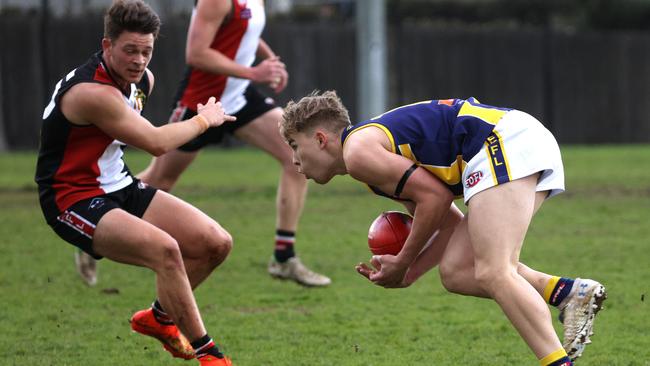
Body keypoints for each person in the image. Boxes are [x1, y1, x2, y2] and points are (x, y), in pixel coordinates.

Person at [279, 91, 607, 364]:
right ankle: (567, 292)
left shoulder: (358, 153)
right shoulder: (366, 159)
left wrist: (404, 260)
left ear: (320, 139)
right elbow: (446, 223)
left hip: (500, 141)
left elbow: (434, 199)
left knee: (494, 270)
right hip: (511, 140)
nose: (294, 160)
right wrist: (408, 272)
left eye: (295, 146)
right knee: (457, 271)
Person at [76, 0, 330, 288]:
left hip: (239, 96)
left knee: (295, 154)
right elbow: (197, 53)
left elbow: (245, 30)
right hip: (201, 101)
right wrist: (253, 73)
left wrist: (269, 60)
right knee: (161, 178)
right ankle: (95, 222)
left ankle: (284, 257)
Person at [35, 1, 237, 364]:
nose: (139, 60)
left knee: (216, 243)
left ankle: (158, 319)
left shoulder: (142, 80)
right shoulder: (93, 93)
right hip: (72, 199)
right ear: (107, 45)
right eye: (130, 50)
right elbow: (156, 143)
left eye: (147, 51)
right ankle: (211, 356)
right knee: (167, 251)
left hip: (119, 186)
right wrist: (204, 119)